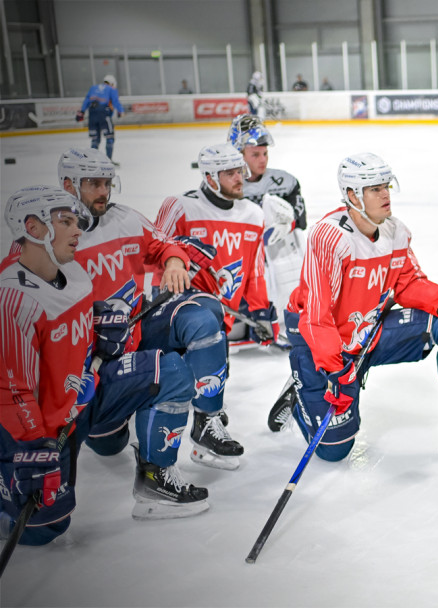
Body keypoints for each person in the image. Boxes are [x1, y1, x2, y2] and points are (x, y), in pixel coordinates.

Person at [0, 185, 201, 546]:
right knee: (46, 528)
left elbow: (74, 327)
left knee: (170, 371)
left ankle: (155, 480)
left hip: (86, 391)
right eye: (65, 222)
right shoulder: (13, 296)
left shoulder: (72, 271)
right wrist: (31, 446)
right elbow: (9, 390)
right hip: (42, 425)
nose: (78, 230)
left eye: (76, 221)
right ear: (33, 228)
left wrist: (100, 323)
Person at [278, 152, 438, 462]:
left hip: (367, 334)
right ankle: (301, 392)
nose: (385, 194)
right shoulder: (331, 237)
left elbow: (408, 283)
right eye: (374, 189)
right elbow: (316, 318)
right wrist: (335, 369)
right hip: (321, 342)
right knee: (335, 451)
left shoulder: (395, 231)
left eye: (386, 186)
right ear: (351, 195)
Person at [54, 148, 229, 514]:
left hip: (131, 341)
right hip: (82, 373)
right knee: (104, 448)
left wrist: (176, 262)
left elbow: (164, 244)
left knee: (195, 330)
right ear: (69, 185)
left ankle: (166, 465)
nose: (103, 192)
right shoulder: (54, 241)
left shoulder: (126, 220)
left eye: (106, 183)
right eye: (92, 184)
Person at [153, 143, 278, 468]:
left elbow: (254, 269)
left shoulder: (252, 214)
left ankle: (204, 435)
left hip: (219, 316)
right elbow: (155, 253)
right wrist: (170, 274)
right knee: (175, 385)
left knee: (214, 374)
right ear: (209, 177)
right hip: (177, 311)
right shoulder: (180, 207)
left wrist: (260, 311)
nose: (241, 178)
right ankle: (162, 458)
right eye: (231, 173)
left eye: (241, 171)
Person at [227, 114, 306, 348]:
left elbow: (300, 217)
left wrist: (287, 224)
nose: (262, 160)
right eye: (255, 154)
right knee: (234, 330)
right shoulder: (228, 186)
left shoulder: (285, 181)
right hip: (243, 263)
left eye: (265, 153)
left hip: (278, 259)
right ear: (237, 154)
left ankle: (290, 313)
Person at [76, 75, 124, 162]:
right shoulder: (111, 89)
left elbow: (87, 100)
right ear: (112, 83)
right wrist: (121, 111)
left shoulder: (93, 88)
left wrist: (82, 112)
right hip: (104, 113)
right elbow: (115, 101)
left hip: (92, 113)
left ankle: (92, 161)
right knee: (110, 137)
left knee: (95, 139)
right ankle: (109, 161)